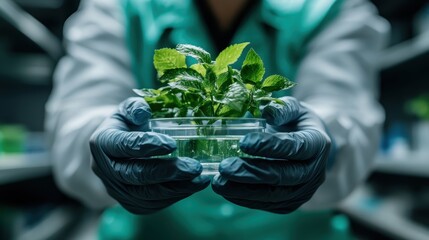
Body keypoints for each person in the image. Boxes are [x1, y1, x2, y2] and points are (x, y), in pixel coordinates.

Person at [45, 0, 389, 238]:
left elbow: (344, 107)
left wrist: (324, 146)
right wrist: (104, 147)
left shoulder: (329, 7)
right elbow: (80, 113)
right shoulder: (118, 6)